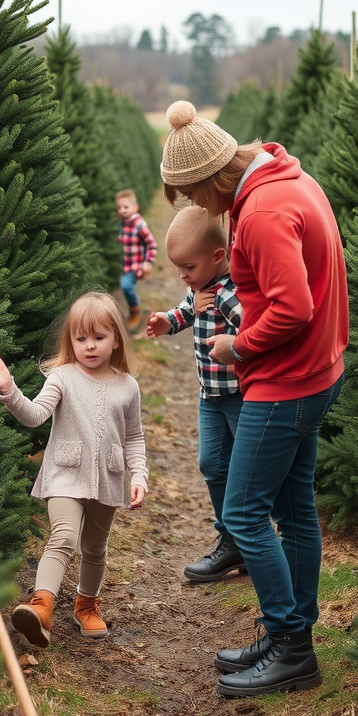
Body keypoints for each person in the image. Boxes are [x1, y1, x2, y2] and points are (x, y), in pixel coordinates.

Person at [160, 100, 348, 697]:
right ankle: (288, 633)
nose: (196, 208)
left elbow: (295, 307)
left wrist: (238, 346)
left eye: (191, 195)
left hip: (287, 380)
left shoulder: (263, 211)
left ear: (210, 179)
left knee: (243, 511)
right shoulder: (283, 177)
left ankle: (292, 647)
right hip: (316, 371)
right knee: (293, 512)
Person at [0, 291, 149, 649]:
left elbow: (134, 436)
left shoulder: (127, 386)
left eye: (99, 338)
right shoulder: (63, 377)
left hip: (109, 477)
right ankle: (41, 606)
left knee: (95, 547)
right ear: (70, 340)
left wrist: (140, 475)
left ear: (116, 338)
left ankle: (86, 603)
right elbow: (34, 414)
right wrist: (8, 389)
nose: (89, 346)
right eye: (81, 338)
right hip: (64, 473)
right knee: (64, 536)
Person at [146, 205, 245, 582]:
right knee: (210, 464)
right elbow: (187, 310)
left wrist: (236, 348)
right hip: (210, 396)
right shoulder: (201, 289)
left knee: (243, 467)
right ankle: (231, 540)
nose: (182, 276)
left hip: (236, 395)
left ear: (217, 256)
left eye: (188, 268)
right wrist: (166, 321)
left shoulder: (227, 295)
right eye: (178, 268)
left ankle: (246, 539)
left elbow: (254, 331)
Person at [116, 189, 157, 329]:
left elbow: (152, 245)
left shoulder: (140, 225)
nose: (122, 210)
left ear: (135, 207)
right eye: (119, 208)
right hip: (126, 264)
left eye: (126, 207)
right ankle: (134, 308)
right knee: (127, 286)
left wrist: (148, 262)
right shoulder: (124, 223)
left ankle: (135, 311)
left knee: (126, 286)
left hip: (135, 265)